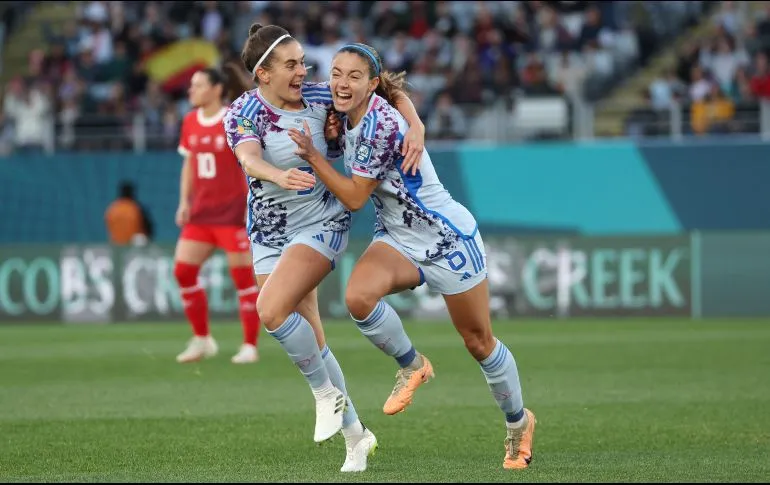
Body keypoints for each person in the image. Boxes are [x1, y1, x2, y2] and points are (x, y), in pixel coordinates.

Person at [287, 43, 536, 471]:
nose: (341, 83)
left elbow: (354, 198)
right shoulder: (343, 99)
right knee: (358, 298)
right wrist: (416, 121)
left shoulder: (380, 124)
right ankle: (412, 365)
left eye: (353, 76)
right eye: (336, 73)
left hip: (445, 238)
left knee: (478, 342)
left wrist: (312, 155)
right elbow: (395, 91)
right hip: (398, 236)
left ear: (371, 84)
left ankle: (518, 423)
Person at [223, 24, 425, 472]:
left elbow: (388, 91)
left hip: (321, 222)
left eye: (302, 63)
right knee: (310, 338)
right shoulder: (243, 111)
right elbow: (249, 158)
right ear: (263, 74)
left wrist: (416, 125)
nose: (304, 71)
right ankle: (356, 437)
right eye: (291, 65)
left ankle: (323, 394)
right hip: (269, 232)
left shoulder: (321, 96)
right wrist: (277, 175)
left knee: (270, 309)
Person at [174, 67, 262, 365]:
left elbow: (250, 161)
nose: (191, 90)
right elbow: (189, 165)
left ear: (216, 89)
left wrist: (251, 202)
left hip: (232, 214)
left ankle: (249, 345)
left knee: (243, 279)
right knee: (183, 272)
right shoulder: (189, 121)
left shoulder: (232, 119)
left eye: (198, 85)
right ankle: (202, 339)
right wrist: (184, 202)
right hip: (201, 214)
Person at [105, 181, 151, 245]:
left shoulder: (112, 209)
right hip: (134, 244)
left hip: (116, 243)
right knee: (140, 238)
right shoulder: (136, 208)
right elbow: (148, 228)